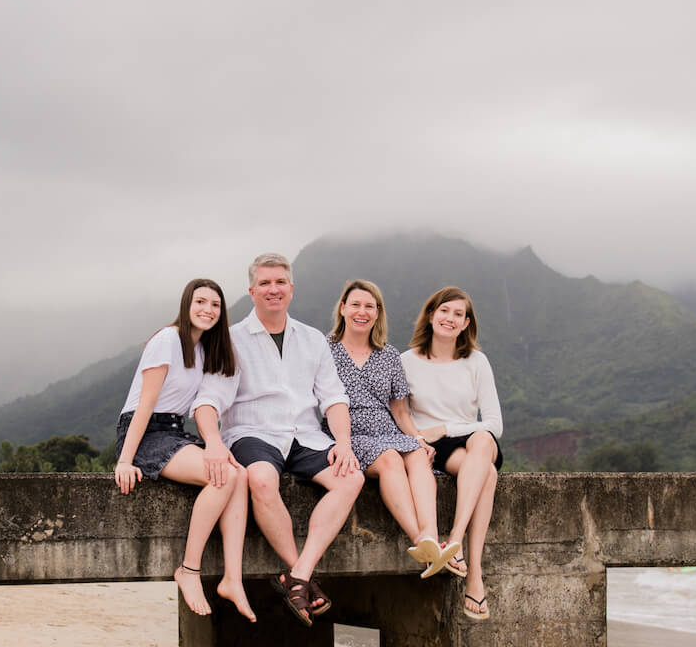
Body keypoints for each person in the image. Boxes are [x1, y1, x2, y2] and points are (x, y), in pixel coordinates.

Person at [193, 253, 364, 626]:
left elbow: (334, 398)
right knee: (261, 479)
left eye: (280, 283)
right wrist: (213, 442)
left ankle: (299, 575)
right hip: (253, 431)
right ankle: (299, 575)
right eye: (266, 284)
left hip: (305, 434)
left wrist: (344, 443)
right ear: (252, 291)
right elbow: (208, 400)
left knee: (352, 478)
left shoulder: (313, 339)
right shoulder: (233, 339)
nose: (274, 290)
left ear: (291, 289)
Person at [114, 278, 256, 623]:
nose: (207, 310)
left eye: (215, 305)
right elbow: (145, 405)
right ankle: (189, 570)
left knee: (239, 473)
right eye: (200, 302)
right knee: (221, 476)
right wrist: (125, 459)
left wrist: (216, 444)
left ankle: (232, 579)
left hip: (176, 431)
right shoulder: (167, 341)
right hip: (146, 432)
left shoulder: (207, 349)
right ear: (186, 306)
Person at [324, 279, 458, 579]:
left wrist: (418, 439)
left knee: (417, 456)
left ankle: (430, 537)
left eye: (369, 306)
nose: (362, 311)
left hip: (387, 429)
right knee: (391, 459)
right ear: (343, 308)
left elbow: (399, 410)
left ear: (377, 313)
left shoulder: (389, 355)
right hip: (347, 431)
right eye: (355, 304)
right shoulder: (324, 350)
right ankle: (420, 540)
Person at [402, 286, 503, 620]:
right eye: (444, 311)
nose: (450, 318)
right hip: (433, 447)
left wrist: (446, 428)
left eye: (458, 314)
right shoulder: (406, 361)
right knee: (486, 473)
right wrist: (421, 439)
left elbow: (493, 423)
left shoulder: (476, 361)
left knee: (485, 441)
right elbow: (400, 415)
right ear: (431, 316)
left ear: (466, 323)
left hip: (468, 437)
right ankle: (474, 574)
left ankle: (454, 541)